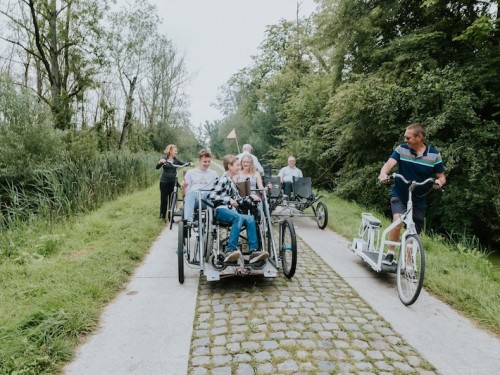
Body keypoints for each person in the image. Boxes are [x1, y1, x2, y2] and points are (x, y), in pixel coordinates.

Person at [378, 123, 446, 265]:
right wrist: (383, 174)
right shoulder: (402, 149)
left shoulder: (434, 155)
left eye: (408, 138)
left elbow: (441, 176)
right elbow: (389, 163)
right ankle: (390, 254)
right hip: (400, 193)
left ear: (419, 137)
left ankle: (409, 263)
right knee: (398, 222)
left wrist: (439, 183)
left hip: (419, 199)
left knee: (413, 231)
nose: (405, 140)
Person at [208, 155, 268, 264]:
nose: (239, 167)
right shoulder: (223, 179)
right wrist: (228, 200)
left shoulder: (231, 181)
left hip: (232, 211)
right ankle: (230, 250)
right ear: (230, 166)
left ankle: (253, 251)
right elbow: (211, 196)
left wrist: (250, 197)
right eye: (237, 165)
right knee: (238, 217)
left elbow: (238, 199)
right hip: (221, 210)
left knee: (250, 219)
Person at [181, 149, 219, 225]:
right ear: (199, 160)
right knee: (190, 193)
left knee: (210, 194)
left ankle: (211, 221)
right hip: (194, 198)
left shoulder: (214, 174)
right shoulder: (190, 173)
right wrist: (184, 188)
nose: (207, 164)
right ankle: (188, 221)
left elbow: (218, 189)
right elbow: (185, 194)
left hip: (207, 200)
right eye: (205, 161)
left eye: (209, 161)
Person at [155, 144, 189, 221]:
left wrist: (189, 163)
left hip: (173, 182)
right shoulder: (164, 159)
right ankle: (162, 216)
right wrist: (160, 162)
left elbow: (183, 163)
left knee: (173, 199)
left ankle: (171, 216)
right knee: (164, 199)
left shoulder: (176, 160)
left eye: (176, 151)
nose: (176, 152)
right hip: (164, 182)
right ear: (170, 151)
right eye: (175, 150)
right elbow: (157, 167)